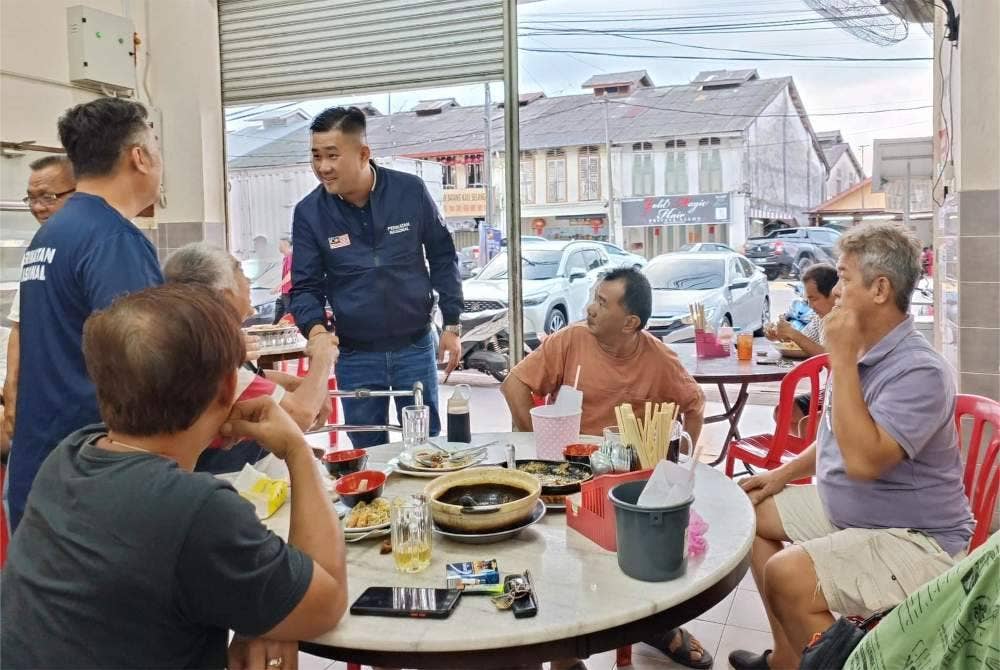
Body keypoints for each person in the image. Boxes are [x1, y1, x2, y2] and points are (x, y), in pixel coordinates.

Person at [0, 284, 348, 668]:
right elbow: (326, 602)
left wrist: (262, 610)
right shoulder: (197, 509)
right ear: (229, 386)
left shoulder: (68, 456)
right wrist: (296, 450)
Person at [730, 222, 973, 670]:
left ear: (879, 289)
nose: (835, 291)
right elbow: (836, 438)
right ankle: (788, 658)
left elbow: (862, 462)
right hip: (857, 511)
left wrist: (838, 358)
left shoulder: (919, 371)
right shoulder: (865, 352)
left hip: (915, 538)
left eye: (843, 277)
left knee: (787, 575)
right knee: (750, 513)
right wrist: (781, 475)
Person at [502, 267, 712, 670]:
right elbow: (515, 383)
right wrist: (537, 448)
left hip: (625, 484)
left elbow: (694, 405)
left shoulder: (659, 358)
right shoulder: (571, 340)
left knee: (641, 559)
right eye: (593, 298)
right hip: (565, 476)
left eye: (601, 302)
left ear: (630, 322)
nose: (589, 308)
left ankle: (653, 625)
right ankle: (562, 653)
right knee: (551, 561)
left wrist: (675, 465)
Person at [4, 98, 164, 532]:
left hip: (43, 465)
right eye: (155, 145)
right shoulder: (113, 240)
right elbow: (148, 365)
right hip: (92, 474)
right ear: (139, 156)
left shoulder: (51, 234)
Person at [290, 106, 463, 448]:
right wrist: (317, 333)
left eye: (332, 156)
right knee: (367, 451)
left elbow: (443, 255)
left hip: (414, 347)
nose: (322, 167)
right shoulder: (310, 213)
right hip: (355, 355)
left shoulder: (409, 192)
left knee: (424, 448)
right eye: (316, 156)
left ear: (363, 153)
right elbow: (305, 286)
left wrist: (453, 324)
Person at [163, 242, 336, 473]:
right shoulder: (210, 356)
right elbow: (300, 415)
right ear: (225, 296)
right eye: (241, 273)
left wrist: (293, 382)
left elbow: (251, 379)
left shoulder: (188, 339)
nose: (249, 282)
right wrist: (323, 357)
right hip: (240, 481)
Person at [1, 156, 77, 460]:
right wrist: (12, 393)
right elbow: (20, 326)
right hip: (42, 400)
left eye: (48, 197)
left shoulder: (87, 245)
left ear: (78, 193)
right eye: (31, 199)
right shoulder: (37, 248)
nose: (38, 207)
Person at [764, 263, 837, 436]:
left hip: (842, 392)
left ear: (834, 295)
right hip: (828, 389)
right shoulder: (821, 317)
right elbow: (803, 344)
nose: (810, 305)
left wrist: (793, 334)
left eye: (814, 298)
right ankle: (801, 454)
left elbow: (831, 358)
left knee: (807, 423)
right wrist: (781, 335)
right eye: (807, 300)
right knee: (784, 412)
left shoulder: (842, 319)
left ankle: (811, 456)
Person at [272, 235, 294, 324]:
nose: (279, 247)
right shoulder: (285, 258)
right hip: (285, 292)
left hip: (290, 292)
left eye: (280, 244)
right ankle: (274, 327)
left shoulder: (291, 256)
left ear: (285, 245)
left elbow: (290, 274)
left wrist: (279, 285)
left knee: (289, 315)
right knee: (279, 308)